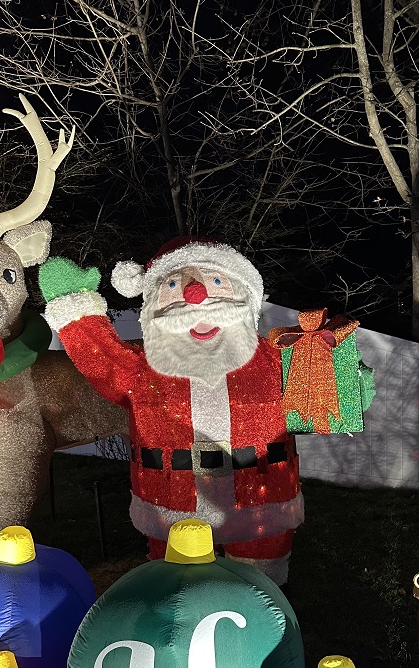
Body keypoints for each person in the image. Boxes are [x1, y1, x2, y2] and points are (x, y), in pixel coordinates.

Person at [39, 237, 306, 585]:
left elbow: (323, 394)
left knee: (261, 586)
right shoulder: (143, 372)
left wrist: (348, 381)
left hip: (262, 506)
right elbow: (103, 362)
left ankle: (264, 600)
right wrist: (77, 312)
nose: (195, 296)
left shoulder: (276, 361)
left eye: (216, 281)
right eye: (173, 285)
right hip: (171, 508)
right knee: (176, 589)